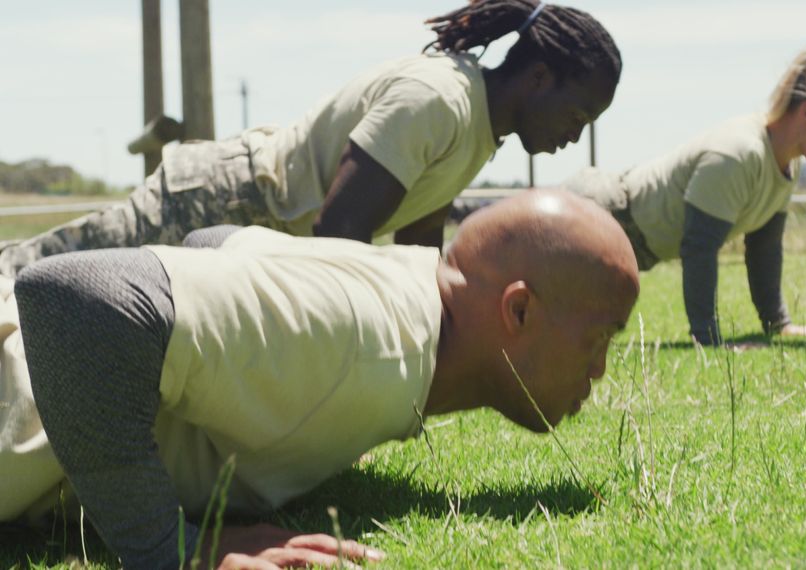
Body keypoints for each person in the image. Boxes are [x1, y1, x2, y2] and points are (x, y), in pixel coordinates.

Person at [2, 189, 639, 568]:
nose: (601, 369)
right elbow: (77, 298)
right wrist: (171, 548)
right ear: (519, 310)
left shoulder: (405, 287)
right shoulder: (368, 342)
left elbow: (215, 243)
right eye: (599, 338)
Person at [0, 0, 622, 277]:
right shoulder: (441, 100)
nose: (578, 133)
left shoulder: (481, 132)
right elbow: (339, 234)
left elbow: (416, 252)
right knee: (37, 275)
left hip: (251, 230)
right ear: (540, 77)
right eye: (580, 112)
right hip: (222, 199)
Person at [564, 41, 806, 345]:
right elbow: (699, 246)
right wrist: (708, 338)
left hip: (634, 243)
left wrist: (778, 325)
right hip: (597, 216)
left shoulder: (787, 164)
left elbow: (764, 248)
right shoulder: (738, 154)